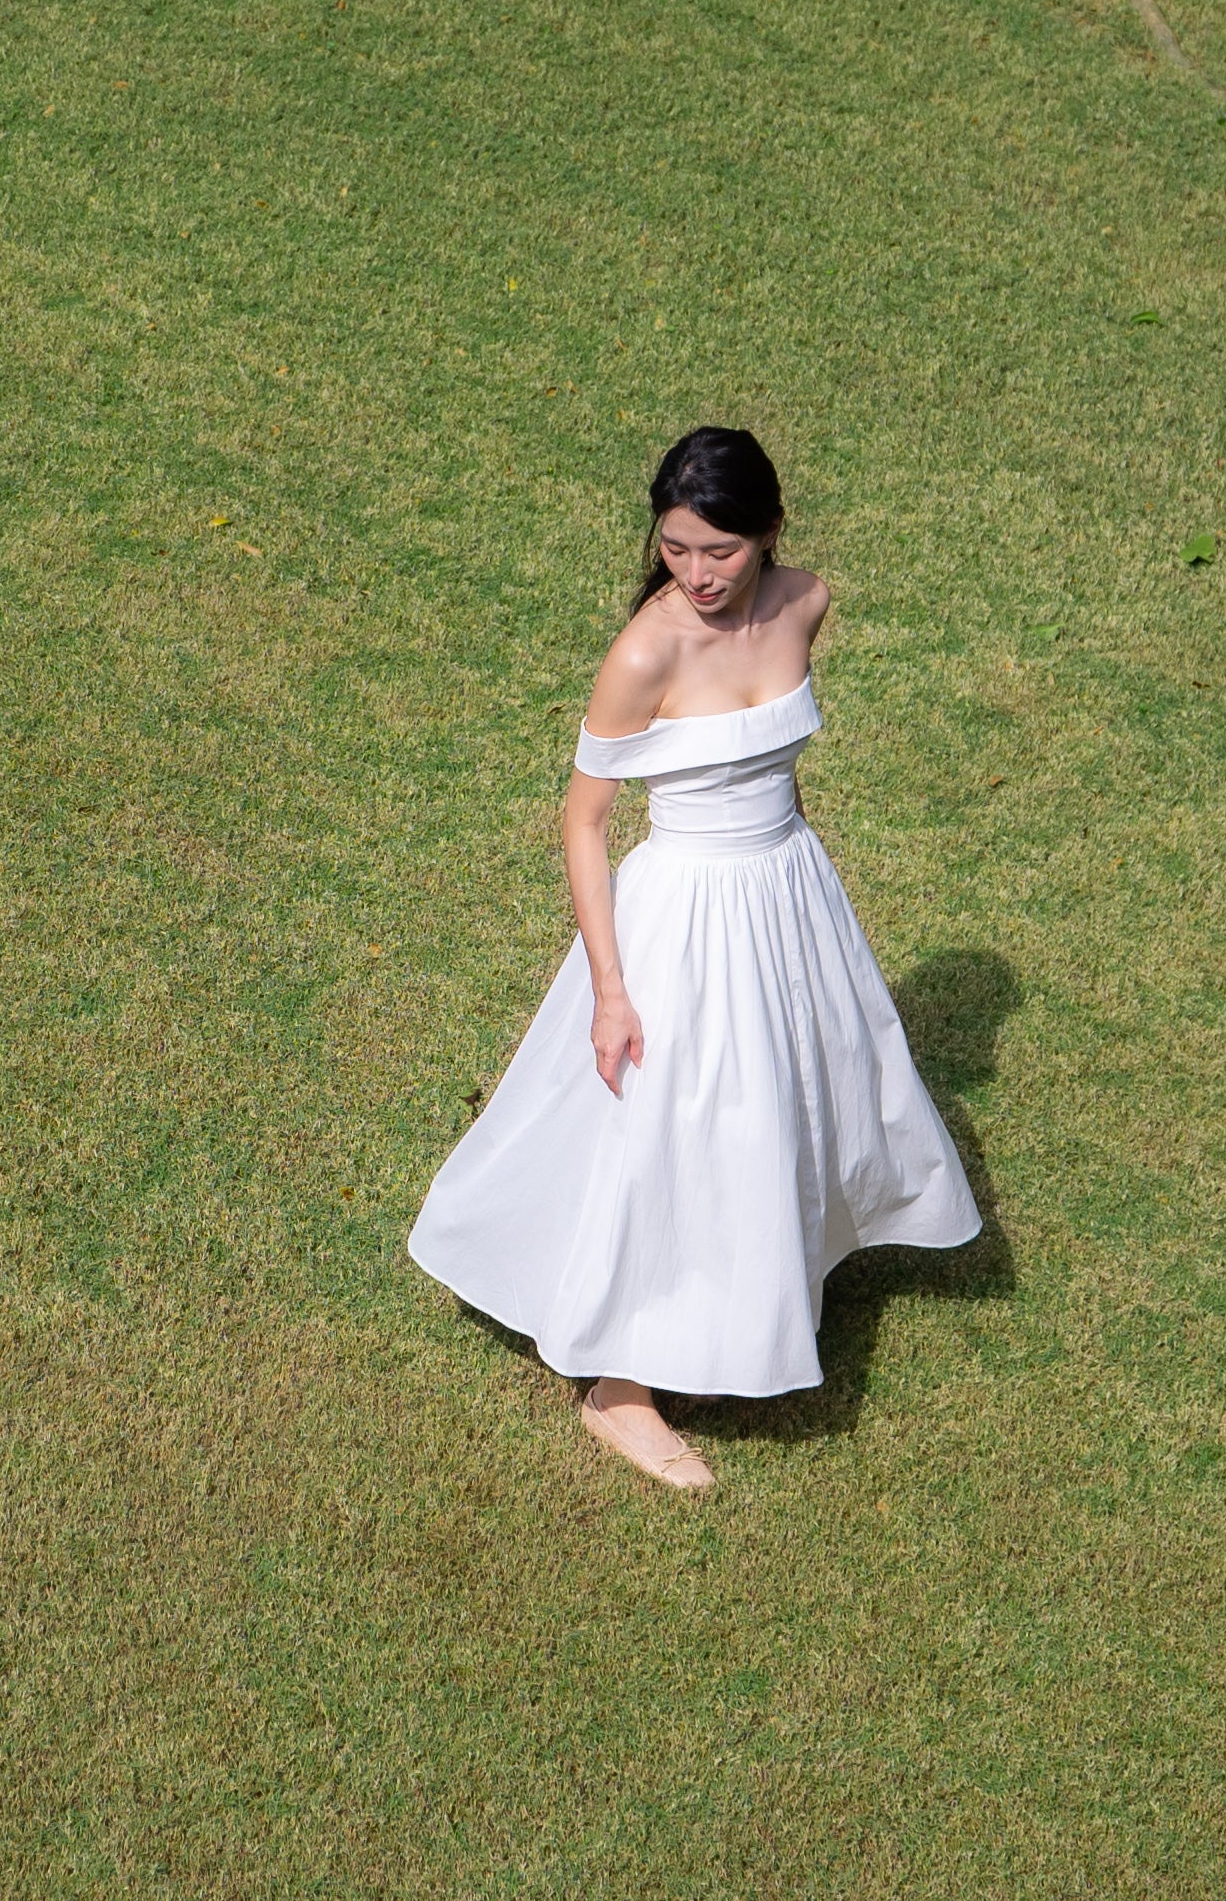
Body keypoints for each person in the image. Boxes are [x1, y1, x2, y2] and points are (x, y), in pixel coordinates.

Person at [409, 428, 980, 1490]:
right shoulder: (646, 652)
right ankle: (617, 1389)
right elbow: (584, 822)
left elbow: (775, 762)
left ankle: (772, 1267)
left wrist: (801, 887)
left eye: (719, 550)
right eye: (675, 549)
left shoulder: (805, 602)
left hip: (788, 889)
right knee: (668, 1126)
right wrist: (611, 988)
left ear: (769, 533)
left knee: (787, 1091)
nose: (698, 574)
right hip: (685, 911)